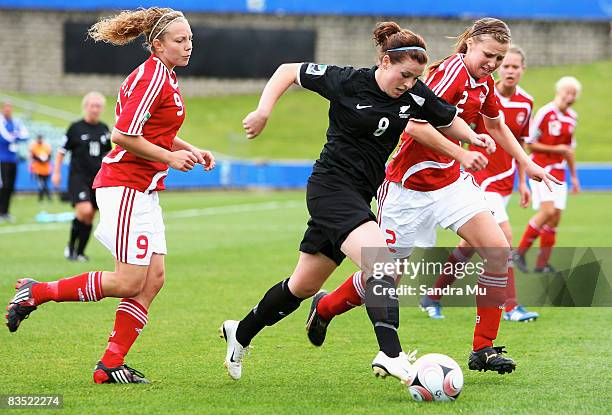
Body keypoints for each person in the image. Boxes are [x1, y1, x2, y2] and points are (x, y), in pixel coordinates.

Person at [220, 21, 500, 383]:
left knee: (302, 287)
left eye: (415, 78)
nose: (409, 84)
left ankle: (239, 332)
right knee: (380, 262)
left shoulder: (414, 95)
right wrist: (263, 111)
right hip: (330, 187)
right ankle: (391, 353)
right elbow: (288, 71)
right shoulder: (348, 80)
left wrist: (474, 139)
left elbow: (447, 119)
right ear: (384, 62)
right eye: (404, 75)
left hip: (358, 193)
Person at [306, 18, 560, 375]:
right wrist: (461, 151)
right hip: (407, 188)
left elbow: (495, 124)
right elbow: (415, 122)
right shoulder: (447, 74)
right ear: (469, 43)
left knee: (497, 248)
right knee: (387, 277)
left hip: (451, 185)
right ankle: (326, 307)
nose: (493, 64)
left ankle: (483, 349)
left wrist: (526, 164)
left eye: (500, 59)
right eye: (488, 54)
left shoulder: (483, 82)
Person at [6, 7, 215, 384]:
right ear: (157, 45)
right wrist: (170, 156)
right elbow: (122, 135)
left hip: (145, 189)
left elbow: (154, 130)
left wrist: (192, 149)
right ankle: (37, 292)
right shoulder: (152, 76)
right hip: (125, 187)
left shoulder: (165, 76)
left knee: (153, 279)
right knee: (129, 281)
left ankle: (109, 365)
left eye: (190, 39)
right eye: (180, 40)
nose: (188, 46)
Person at [417, 45, 540, 322]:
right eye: (504, 65)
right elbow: (458, 127)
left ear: (522, 70)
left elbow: (518, 143)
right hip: (480, 178)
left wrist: (523, 182)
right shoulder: (483, 92)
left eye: (513, 66)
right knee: (504, 237)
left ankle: (432, 296)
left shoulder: (526, 102)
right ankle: (510, 306)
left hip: (505, 180)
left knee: (469, 245)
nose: (508, 70)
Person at [514, 76, 581, 273]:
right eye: (567, 92)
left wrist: (574, 176)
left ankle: (542, 264)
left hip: (559, 172)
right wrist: (558, 149)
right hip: (541, 169)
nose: (570, 97)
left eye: (573, 94)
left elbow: (569, 150)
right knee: (548, 211)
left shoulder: (572, 117)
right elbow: (529, 143)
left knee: (555, 217)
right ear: (559, 92)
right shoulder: (545, 112)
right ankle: (519, 253)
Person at [52, 92, 112, 261]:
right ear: (85, 107)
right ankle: (71, 246)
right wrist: (56, 172)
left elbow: (108, 155)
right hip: (78, 177)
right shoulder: (75, 128)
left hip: (97, 179)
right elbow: (61, 152)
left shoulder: (104, 129)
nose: (95, 109)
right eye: (92, 105)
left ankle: (80, 252)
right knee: (84, 210)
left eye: (98, 106)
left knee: (89, 215)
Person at [0, 100, 29, 222]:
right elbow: (5, 137)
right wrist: (15, 136)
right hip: (2, 159)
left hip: (13, 159)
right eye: (5, 108)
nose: (8, 110)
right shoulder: (1, 121)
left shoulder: (15, 122)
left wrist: (15, 135)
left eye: (9, 108)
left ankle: (6, 212)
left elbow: (25, 135)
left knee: (11, 187)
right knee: (4, 186)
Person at [29, 134, 53, 202]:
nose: (39, 140)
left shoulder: (46, 146)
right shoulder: (34, 147)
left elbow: (49, 156)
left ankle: (44, 198)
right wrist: (40, 159)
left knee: (44, 184)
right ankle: (45, 198)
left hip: (46, 169)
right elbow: (33, 156)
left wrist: (44, 159)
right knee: (41, 184)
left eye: (40, 138)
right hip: (38, 169)